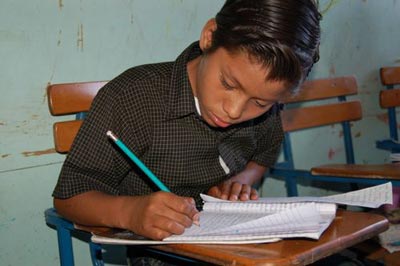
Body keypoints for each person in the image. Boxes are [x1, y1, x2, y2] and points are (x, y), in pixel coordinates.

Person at [53, 0, 321, 246]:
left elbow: (266, 149)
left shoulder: (264, 113)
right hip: (164, 255)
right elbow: (69, 197)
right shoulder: (133, 98)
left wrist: (240, 181)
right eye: (228, 84)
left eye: (260, 103)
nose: (234, 110)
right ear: (209, 36)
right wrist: (130, 213)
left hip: (238, 246)